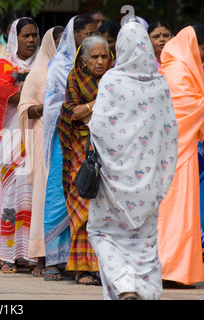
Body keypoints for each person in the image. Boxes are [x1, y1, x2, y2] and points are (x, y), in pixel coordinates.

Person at [88, 21, 178, 300]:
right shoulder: (160, 84)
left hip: (111, 184)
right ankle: (144, 291)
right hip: (149, 181)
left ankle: (124, 287)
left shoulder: (112, 81)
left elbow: (98, 127)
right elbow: (170, 132)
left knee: (103, 234)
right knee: (144, 241)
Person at [42, 14, 98, 280]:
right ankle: (53, 258)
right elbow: (57, 108)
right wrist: (88, 110)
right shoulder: (61, 67)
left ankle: (79, 260)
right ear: (73, 36)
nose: (91, 39)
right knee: (58, 195)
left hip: (94, 143)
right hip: (64, 139)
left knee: (90, 200)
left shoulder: (101, 69)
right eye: (87, 34)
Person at [58, 35, 112, 284]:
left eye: (104, 56)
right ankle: (81, 267)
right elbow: (75, 112)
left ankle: (102, 267)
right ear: (83, 59)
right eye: (95, 57)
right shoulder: (75, 78)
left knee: (106, 209)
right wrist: (100, 99)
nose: (101, 61)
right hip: (81, 148)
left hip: (110, 150)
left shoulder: (115, 78)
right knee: (82, 205)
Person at [157, 23, 204, 288]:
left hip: (179, 151)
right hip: (174, 151)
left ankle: (180, 270)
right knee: (175, 213)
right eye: (201, 46)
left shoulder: (181, 68)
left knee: (183, 214)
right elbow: (185, 109)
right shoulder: (177, 70)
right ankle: (169, 269)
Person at [0, 17, 39, 273]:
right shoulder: (3, 64)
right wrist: (34, 86)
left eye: (35, 35)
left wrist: (24, 84)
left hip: (36, 136)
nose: (32, 40)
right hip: (12, 138)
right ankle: (8, 255)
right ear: (15, 38)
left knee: (32, 196)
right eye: (26, 36)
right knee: (12, 196)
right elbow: (6, 95)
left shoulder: (45, 63)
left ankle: (31, 255)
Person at [18, 27, 58, 278]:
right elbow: (25, 108)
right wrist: (47, 107)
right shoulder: (40, 71)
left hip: (65, 139)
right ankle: (42, 254)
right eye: (59, 40)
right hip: (43, 137)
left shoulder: (73, 69)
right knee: (44, 196)